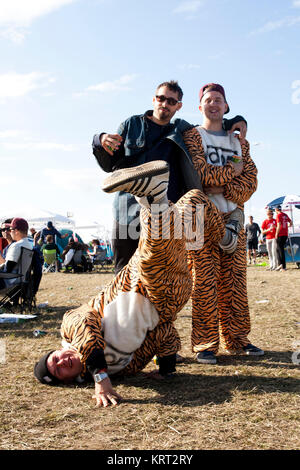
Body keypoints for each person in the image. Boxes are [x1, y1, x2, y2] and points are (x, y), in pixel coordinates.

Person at [34, 161, 226, 406]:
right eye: (59, 370)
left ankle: (154, 197)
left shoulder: (70, 329)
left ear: (59, 349)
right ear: (70, 381)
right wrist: (167, 368)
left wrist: (100, 376)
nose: (63, 362)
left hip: (137, 282)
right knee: (188, 216)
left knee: (154, 254)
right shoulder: (124, 369)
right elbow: (162, 334)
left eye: (56, 358)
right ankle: (223, 233)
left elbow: (85, 323)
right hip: (169, 301)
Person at [92, 80, 247, 274]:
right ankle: (124, 305)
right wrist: (99, 140)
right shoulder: (131, 124)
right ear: (154, 99)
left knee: (159, 274)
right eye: (161, 98)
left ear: (178, 106)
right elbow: (109, 166)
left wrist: (235, 121)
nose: (165, 104)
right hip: (127, 208)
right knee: (124, 272)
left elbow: (210, 123)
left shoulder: (181, 130)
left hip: (163, 211)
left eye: (171, 101)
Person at [182, 83, 263, 364]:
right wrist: (233, 171)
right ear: (200, 106)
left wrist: (224, 189)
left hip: (233, 217)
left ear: (226, 107)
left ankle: (238, 339)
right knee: (202, 282)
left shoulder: (239, 141)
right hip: (199, 218)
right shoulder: (193, 136)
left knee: (235, 282)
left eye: (218, 100)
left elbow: (251, 180)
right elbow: (200, 175)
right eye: (208, 100)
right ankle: (205, 344)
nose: (213, 104)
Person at [0, 218, 32, 290]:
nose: (10, 232)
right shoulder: (29, 245)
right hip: (21, 282)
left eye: (11, 230)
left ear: (16, 231)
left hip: (9, 283)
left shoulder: (16, 246)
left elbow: (7, 269)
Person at [275, 205, 292, 271]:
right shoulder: (285, 214)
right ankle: (281, 265)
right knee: (279, 249)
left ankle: (282, 266)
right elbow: (291, 223)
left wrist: (276, 233)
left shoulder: (278, 215)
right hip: (285, 234)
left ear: (276, 210)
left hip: (280, 234)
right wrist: (286, 226)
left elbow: (279, 225)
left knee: (280, 250)